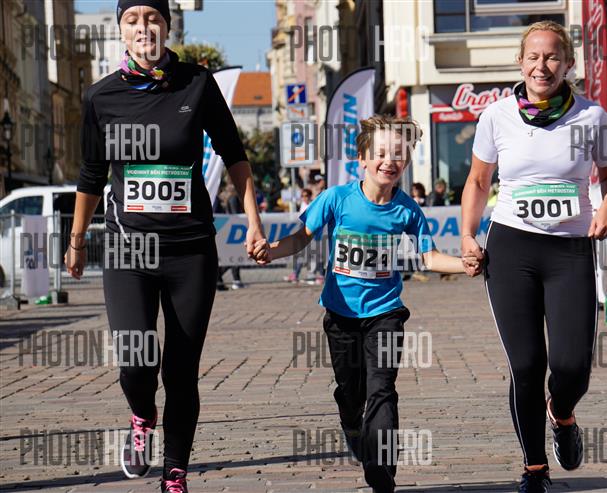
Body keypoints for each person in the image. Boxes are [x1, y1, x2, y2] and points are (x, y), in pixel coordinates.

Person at [64, 1, 269, 491]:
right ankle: (141, 415)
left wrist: (254, 221)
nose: (144, 28)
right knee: (137, 361)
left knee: (180, 370)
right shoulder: (100, 97)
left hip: (190, 250)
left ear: (167, 25)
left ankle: (175, 471)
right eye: (132, 20)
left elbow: (234, 154)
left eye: (153, 18)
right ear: (120, 31)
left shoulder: (197, 83)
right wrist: (76, 240)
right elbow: (91, 175)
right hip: (128, 249)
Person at [254, 115, 469, 493]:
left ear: (406, 162)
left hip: (386, 313)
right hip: (341, 316)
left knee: (382, 388)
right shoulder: (337, 199)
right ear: (363, 160)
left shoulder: (408, 210)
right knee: (351, 392)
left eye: (398, 154)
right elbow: (301, 238)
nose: (389, 161)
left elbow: (430, 257)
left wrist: (467, 265)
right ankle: (352, 424)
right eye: (381, 153)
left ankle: (381, 467)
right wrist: (271, 251)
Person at [460, 21, 607, 493]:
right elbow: (478, 181)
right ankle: (534, 468)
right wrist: (468, 236)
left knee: (572, 367)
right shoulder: (496, 116)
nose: (542, 65)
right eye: (533, 56)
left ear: (568, 63)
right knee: (527, 365)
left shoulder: (592, 117)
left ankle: (563, 412)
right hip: (512, 247)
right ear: (520, 62)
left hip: (569, 250)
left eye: (552, 57)